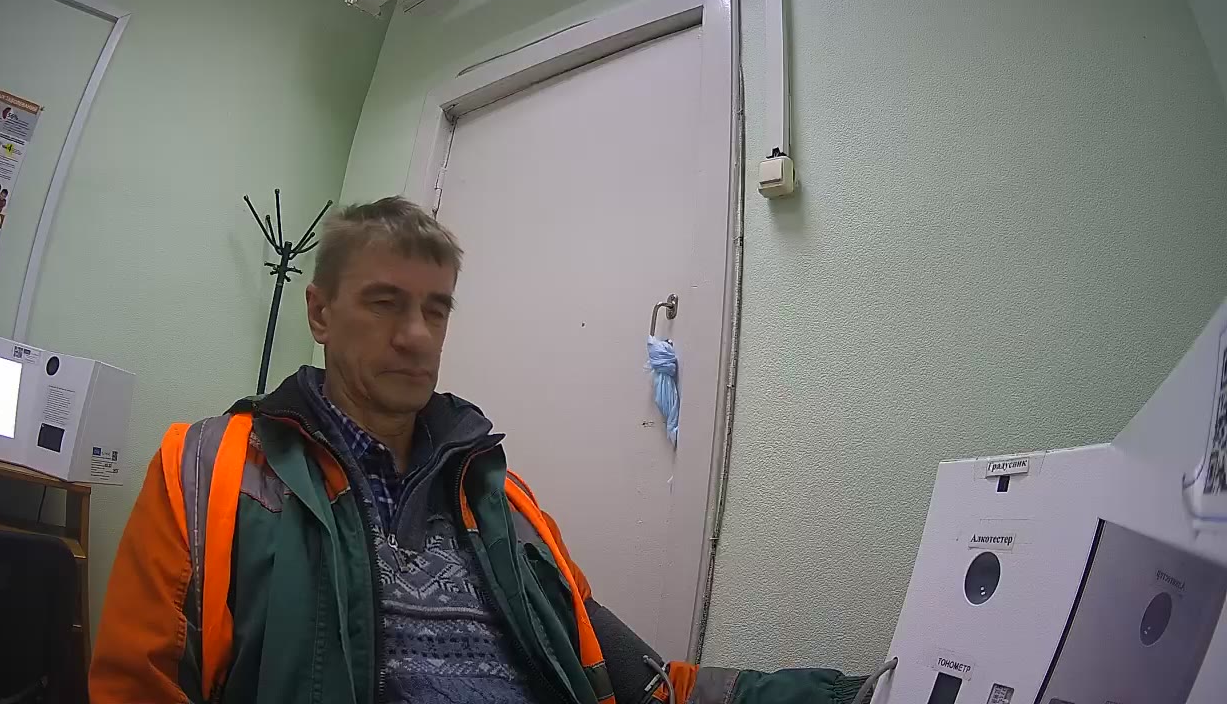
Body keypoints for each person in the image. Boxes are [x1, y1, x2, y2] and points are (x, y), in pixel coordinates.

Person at [90, 197, 864, 704]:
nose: (416, 335)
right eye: (385, 303)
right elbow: (136, 686)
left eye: (436, 309)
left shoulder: (500, 500)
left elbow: (634, 678)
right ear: (320, 313)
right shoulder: (210, 468)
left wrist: (849, 693)